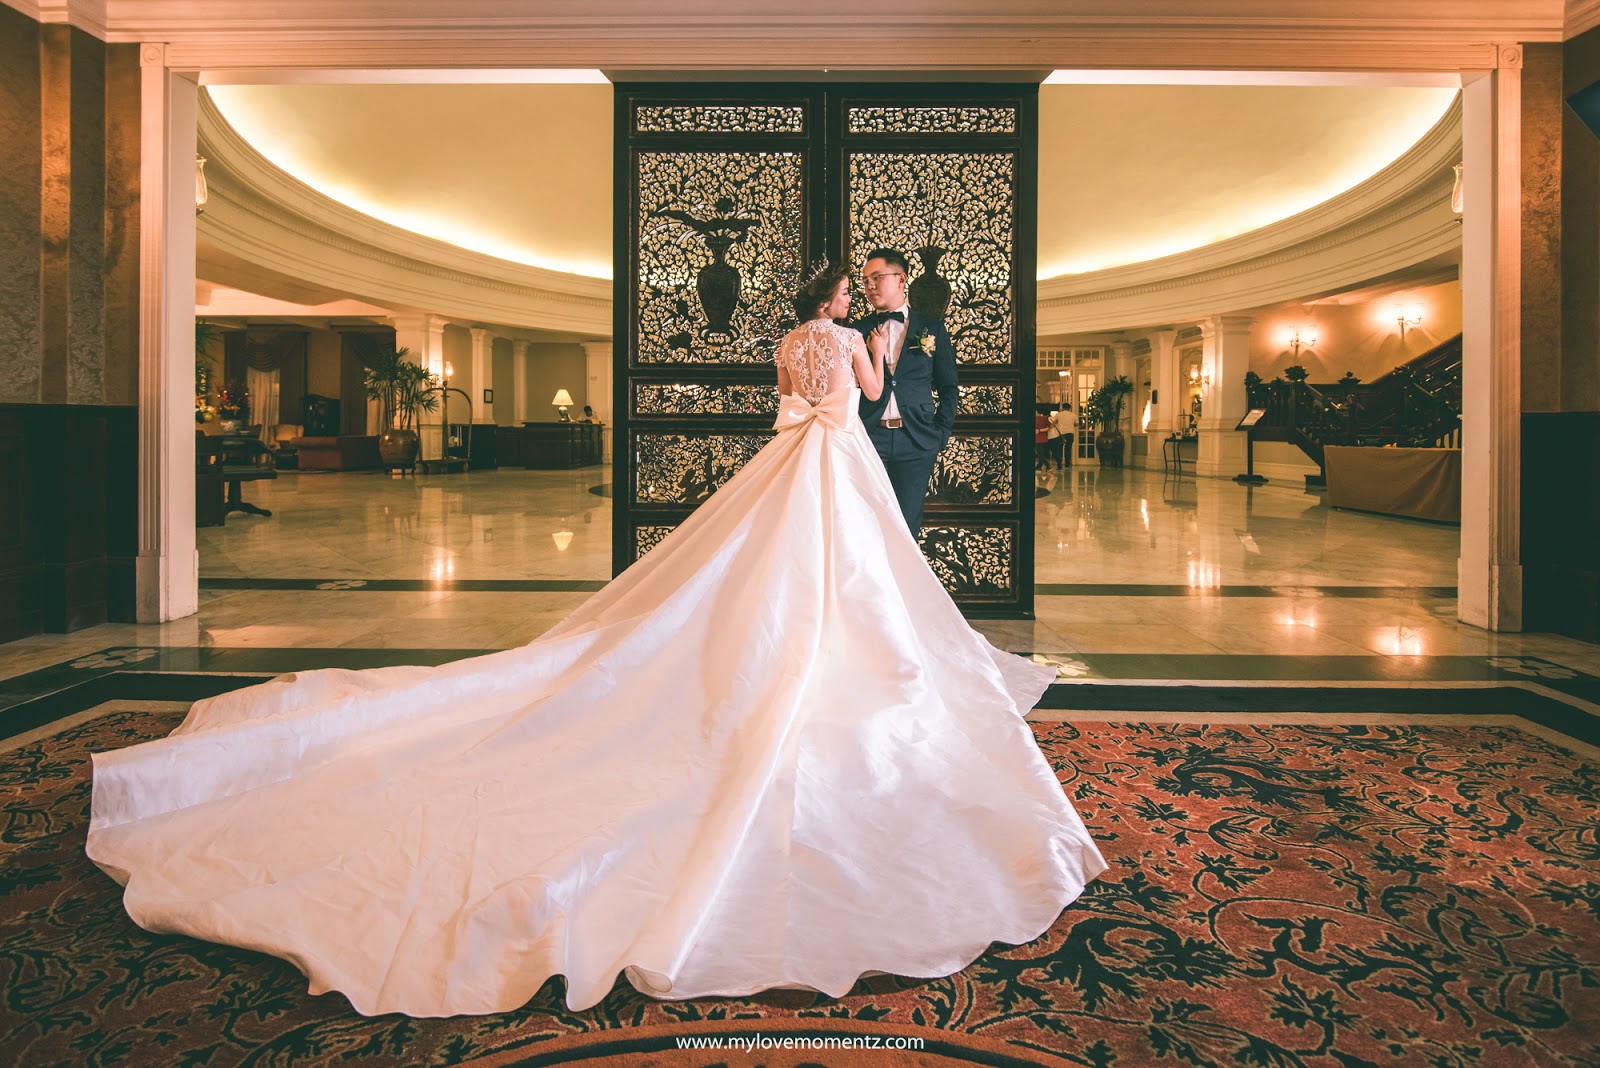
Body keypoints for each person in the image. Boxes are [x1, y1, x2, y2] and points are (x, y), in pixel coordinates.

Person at [85, 262, 1106, 1019]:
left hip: (790, 462)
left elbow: (785, 409)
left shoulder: (785, 344)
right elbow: (871, 407)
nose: (851, 303)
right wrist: (881, 352)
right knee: (848, 582)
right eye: (852, 295)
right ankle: (834, 674)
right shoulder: (848, 342)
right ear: (841, 301)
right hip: (839, 466)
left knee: (753, 577)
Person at [853, 248, 958, 539]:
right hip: (868, 439)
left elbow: (949, 387)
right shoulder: (856, 331)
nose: (869, 287)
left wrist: (941, 433)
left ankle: (903, 586)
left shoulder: (932, 327)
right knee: (866, 526)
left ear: (901, 279)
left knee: (907, 527)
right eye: (865, 281)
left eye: (877, 278)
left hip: (917, 441)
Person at [1051, 402, 1076, 468]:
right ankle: (1067, 464)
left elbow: (1052, 421)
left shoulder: (1059, 415)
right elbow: (1077, 424)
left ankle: (1059, 463)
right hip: (1070, 433)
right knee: (1068, 448)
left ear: (1062, 408)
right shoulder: (1073, 415)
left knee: (1059, 449)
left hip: (1061, 434)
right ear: (1069, 408)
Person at [1035, 404, 1053, 470]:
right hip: (1043, 437)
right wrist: (1041, 430)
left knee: (1040, 454)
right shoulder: (1045, 418)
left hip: (1036, 438)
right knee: (1041, 452)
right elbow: (1050, 426)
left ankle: (1047, 465)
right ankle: (1039, 466)